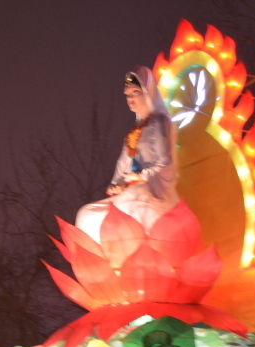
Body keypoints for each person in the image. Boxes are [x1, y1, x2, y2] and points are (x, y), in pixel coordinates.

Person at [75, 66, 179, 243]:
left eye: (135, 92)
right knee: (86, 215)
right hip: (130, 194)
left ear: (148, 93)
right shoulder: (133, 133)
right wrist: (118, 184)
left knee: (134, 206)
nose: (130, 98)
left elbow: (166, 163)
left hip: (152, 195)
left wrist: (141, 177)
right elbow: (122, 169)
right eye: (127, 94)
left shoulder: (160, 122)